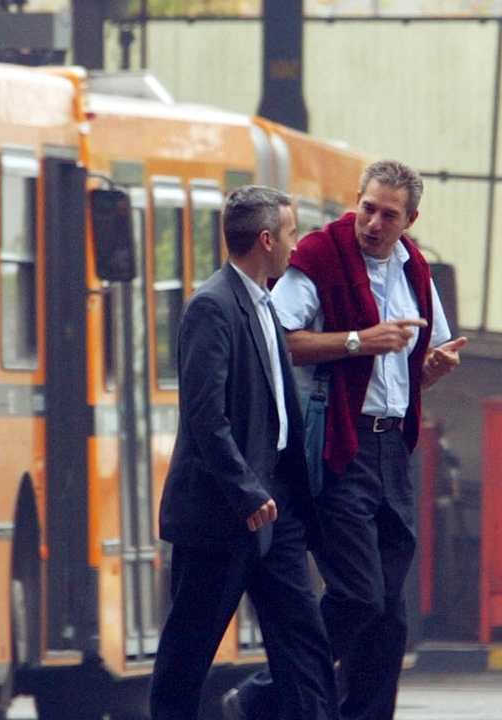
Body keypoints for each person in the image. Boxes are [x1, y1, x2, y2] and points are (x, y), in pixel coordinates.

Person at [223, 159, 466, 720]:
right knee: (359, 594)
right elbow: (281, 341)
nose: (374, 223)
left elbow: (415, 364)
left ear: (410, 220)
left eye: (389, 215)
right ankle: (265, 694)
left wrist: (429, 367)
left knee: (390, 614)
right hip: (340, 444)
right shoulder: (319, 256)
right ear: (355, 200)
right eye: (368, 208)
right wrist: (361, 341)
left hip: (393, 447)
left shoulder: (416, 271)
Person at [149, 186, 338, 720]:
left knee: (304, 647)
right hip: (223, 512)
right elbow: (206, 419)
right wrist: (246, 491)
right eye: (291, 233)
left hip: (277, 509)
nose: (295, 246)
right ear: (266, 239)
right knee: (186, 659)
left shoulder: (264, 303)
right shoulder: (212, 307)